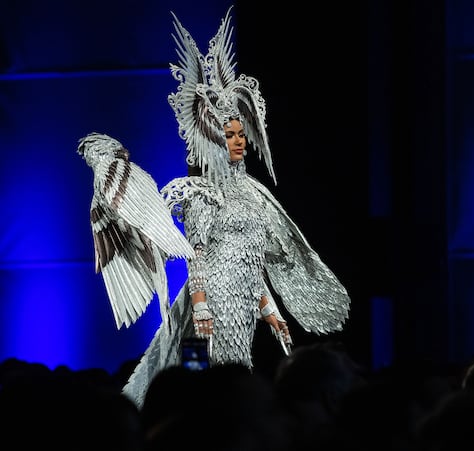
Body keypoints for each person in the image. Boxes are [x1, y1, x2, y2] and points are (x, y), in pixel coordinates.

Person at [118, 6, 351, 407]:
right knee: (210, 377)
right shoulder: (201, 191)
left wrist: (269, 309)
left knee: (236, 373)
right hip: (213, 301)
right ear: (212, 139)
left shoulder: (251, 191)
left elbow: (250, 259)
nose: (239, 141)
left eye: (242, 134)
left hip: (242, 298)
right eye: (229, 135)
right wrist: (201, 304)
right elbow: (199, 255)